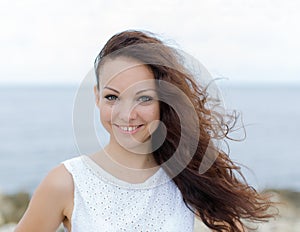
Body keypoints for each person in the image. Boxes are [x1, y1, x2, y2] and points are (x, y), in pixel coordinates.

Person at [15, 30, 275, 232]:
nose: (127, 115)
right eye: (112, 97)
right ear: (96, 96)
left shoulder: (187, 175)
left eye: (143, 98)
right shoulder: (66, 183)